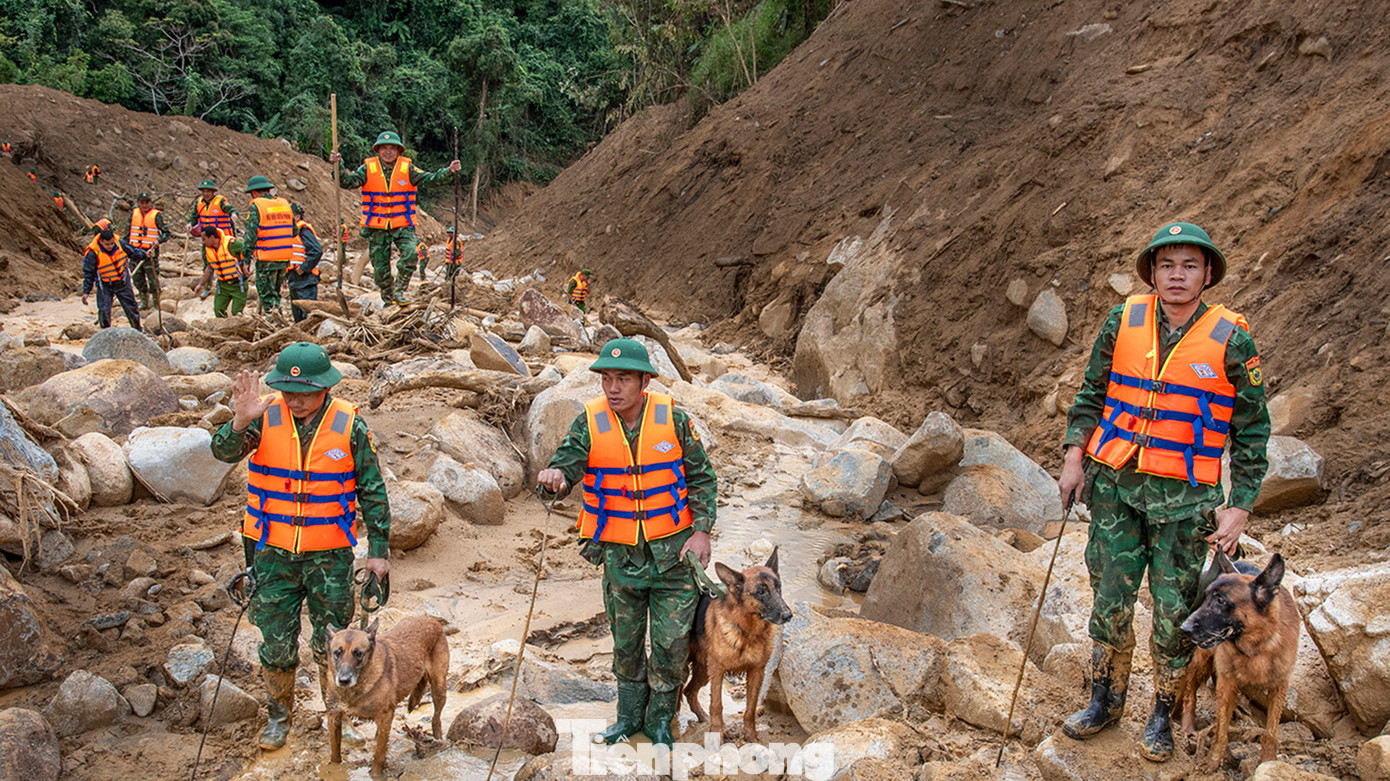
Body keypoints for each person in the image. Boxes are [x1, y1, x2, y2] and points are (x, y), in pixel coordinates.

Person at [1058, 222, 1270, 762]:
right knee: (1110, 599)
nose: (1177, 275)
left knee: (1177, 613)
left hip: (1186, 505)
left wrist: (1241, 505)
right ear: (1152, 271)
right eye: (1167, 265)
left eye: (1189, 266)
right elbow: (1090, 395)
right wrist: (1073, 457)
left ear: (1206, 275)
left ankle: (1161, 716)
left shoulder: (1232, 338)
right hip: (1114, 491)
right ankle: (1104, 702)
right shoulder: (1121, 319)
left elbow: (1252, 430)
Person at [210, 342, 391, 751]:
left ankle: (334, 709)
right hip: (271, 553)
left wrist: (378, 551)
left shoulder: (351, 426)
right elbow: (221, 452)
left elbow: (373, 491)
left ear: (325, 388)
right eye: (289, 392)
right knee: (275, 642)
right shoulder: (262, 416)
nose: (295, 401)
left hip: (330, 556)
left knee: (330, 643)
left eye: (305, 393)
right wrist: (238, 421)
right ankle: (279, 716)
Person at [536, 338, 715, 748]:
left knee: (670, 649)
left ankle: (659, 723)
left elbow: (703, 477)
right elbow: (567, 463)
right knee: (626, 646)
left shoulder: (675, 421)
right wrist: (557, 479)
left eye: (624, 378)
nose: (613, 388)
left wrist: (702, 530)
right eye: (607, 379)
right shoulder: (590, 421)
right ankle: (627, 719)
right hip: (620, 558)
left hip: (674, 558)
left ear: (644, 381)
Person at [329, 131, 461, 305]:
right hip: (377, 226)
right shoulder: (368, 168)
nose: (388, 152)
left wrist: (449, 171)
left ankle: (399, 290)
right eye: (384, 148)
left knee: (411, 254)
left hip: (402, 224)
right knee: (380, 270)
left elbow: (430, 179)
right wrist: (338, 165)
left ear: (399, 150)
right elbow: (347, 182)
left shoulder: (408, 168)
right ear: (378, 150)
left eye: (392, 148)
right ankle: (388, 299)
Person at [242, 175, 296, 313]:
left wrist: (246, 259)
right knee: (276, 294)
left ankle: (273, 323)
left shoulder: (257, 206)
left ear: (253, 193)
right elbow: (294, 230)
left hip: (267, 258)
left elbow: (250, 236)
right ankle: (277, 318)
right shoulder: (284, 204)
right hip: (284, 258)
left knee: (267, 297)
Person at [81, 227, 144, 330]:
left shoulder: (120, 244)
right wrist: (86, 292)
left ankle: (137, 329)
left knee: (131, 307)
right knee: (104, 310)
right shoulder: (92, 253)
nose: (110, 246)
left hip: (122, 282)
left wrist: (145, 255)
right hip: (105, 285)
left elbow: (133, 252)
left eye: (111, 243)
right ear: (101, 242)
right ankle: (105, 332)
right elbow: (88, 273)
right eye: (107, 244)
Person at [191, 227, 249, 317]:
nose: (203, 242)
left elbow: (248, 251)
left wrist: (246, 264)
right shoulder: (209, 250)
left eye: (204, 239)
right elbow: (209, 268)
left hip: (238, 284)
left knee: (236, 313)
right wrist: (200, 284)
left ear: (212, 238)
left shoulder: (232, 244)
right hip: (223, 286)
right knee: (218, 310)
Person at [127, 192, 169, 310]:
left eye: (147, 202)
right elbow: (127, 233)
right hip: (135, 252)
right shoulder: (133, 214)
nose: (144, 205)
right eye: (142, 202)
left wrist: (158, 240)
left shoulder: (157, 216)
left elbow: (166, 233)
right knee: (137, 279)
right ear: (138, 203)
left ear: (151, 202)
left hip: (150, 253)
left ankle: (156, 304)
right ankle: (144, 301)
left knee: (153, 280)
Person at [287, 203, 323, 322]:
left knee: (308, 315)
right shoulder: (292, 231)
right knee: (297, 315)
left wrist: (303, 268)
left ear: (297, 217)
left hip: (305, 278)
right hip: (295, 277)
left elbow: (316, 251)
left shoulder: (303, 230)